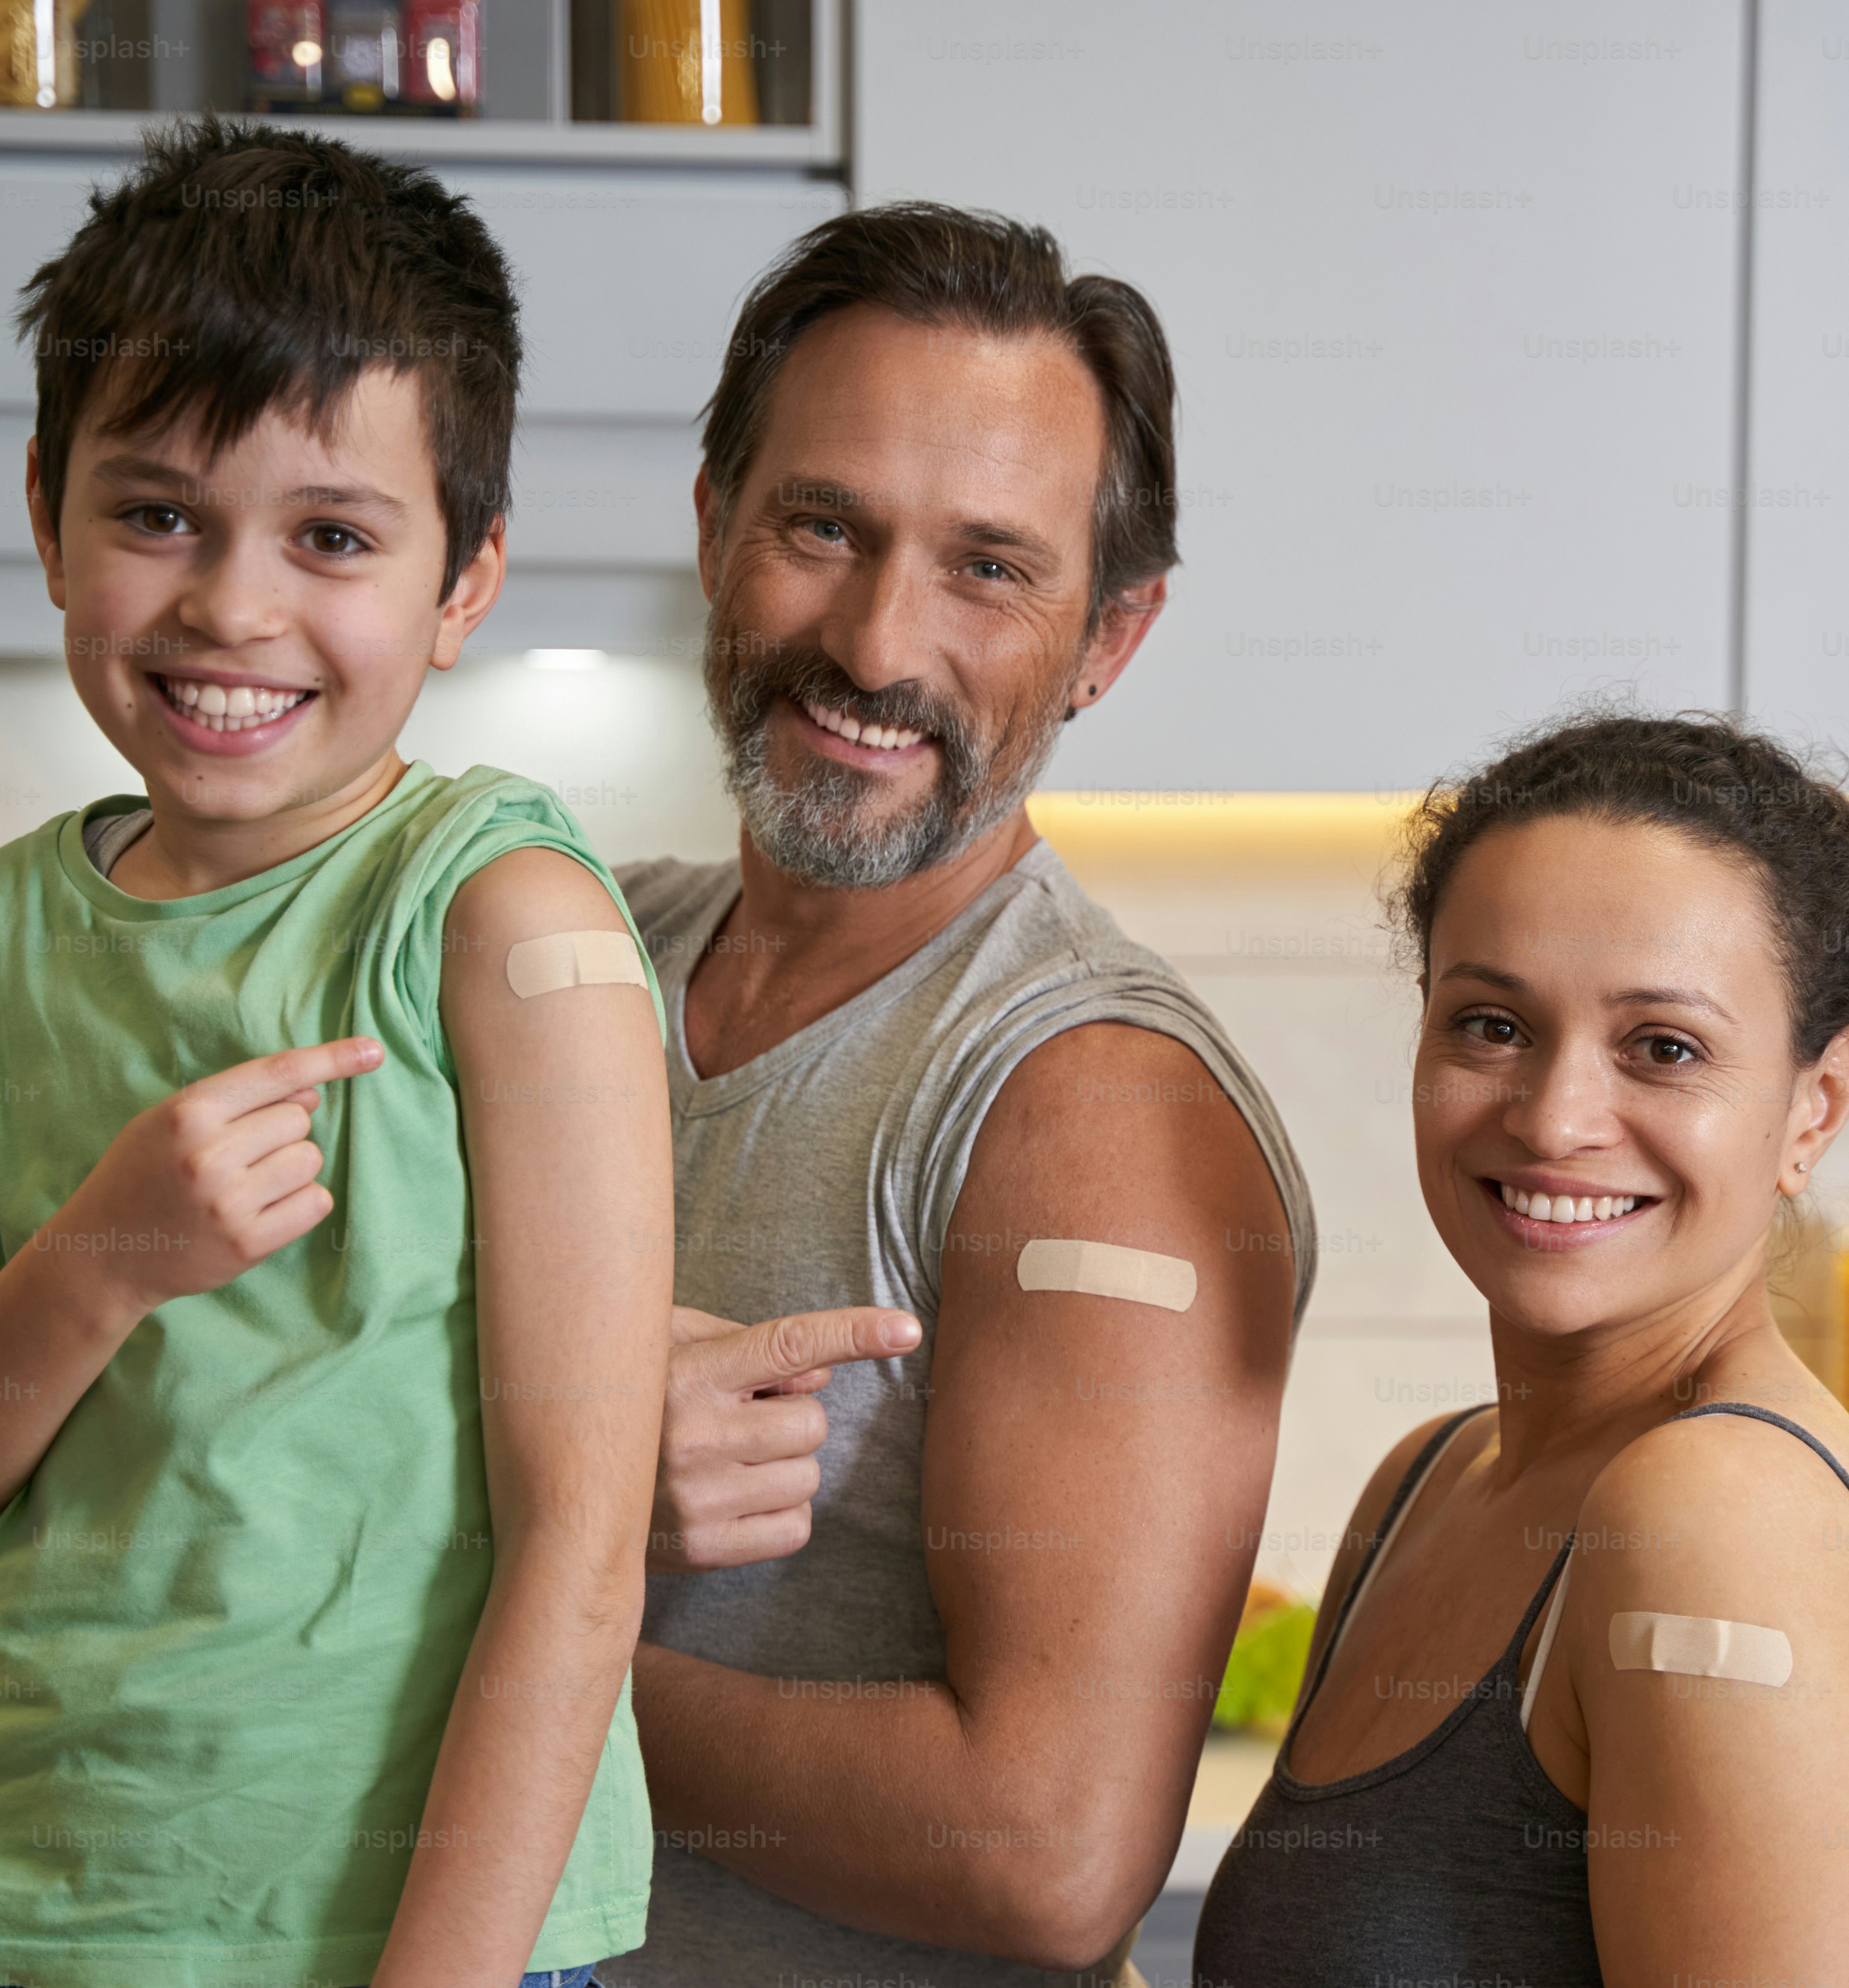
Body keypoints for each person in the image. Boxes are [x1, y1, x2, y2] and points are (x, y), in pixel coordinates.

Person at [0, 119, 668, 1988]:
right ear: (46, 513)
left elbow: (579, 1558)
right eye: (154, 513)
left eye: (334, 537)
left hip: (410, 1949)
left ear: (464, 580)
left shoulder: (507, 925)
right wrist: (99, 1265)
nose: (229, 606)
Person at [603, 204, 1315, 1986]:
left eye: (987, 568)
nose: (871, 641)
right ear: (710, 527)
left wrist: (459, 1626)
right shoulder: (565, 958)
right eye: (820, 525)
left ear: (1109, 638)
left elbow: (1040, 1850)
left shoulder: (1088, 1107)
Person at [1195, 714, 1849, 1986]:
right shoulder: (1424, 1483)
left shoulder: (1713, 1518)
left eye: (1664, 1047)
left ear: (1814, 1106)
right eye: (1492, 1024)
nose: (1554, 1117)